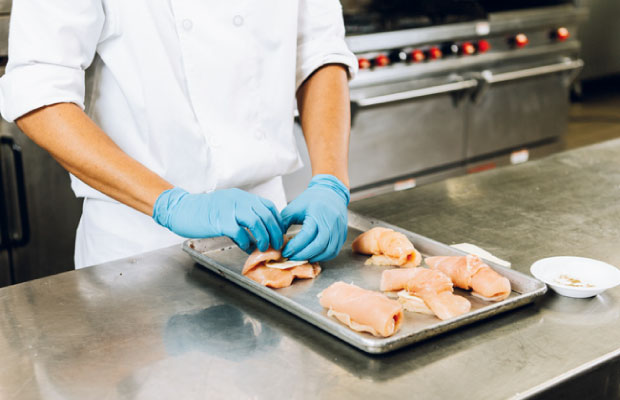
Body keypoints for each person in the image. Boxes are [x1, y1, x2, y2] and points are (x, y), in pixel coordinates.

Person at [0, 1, 357, 268]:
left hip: (269, 229)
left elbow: (318, 51)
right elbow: (40, 93)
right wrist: (172, 204)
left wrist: (330, 180)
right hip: (140, 243)